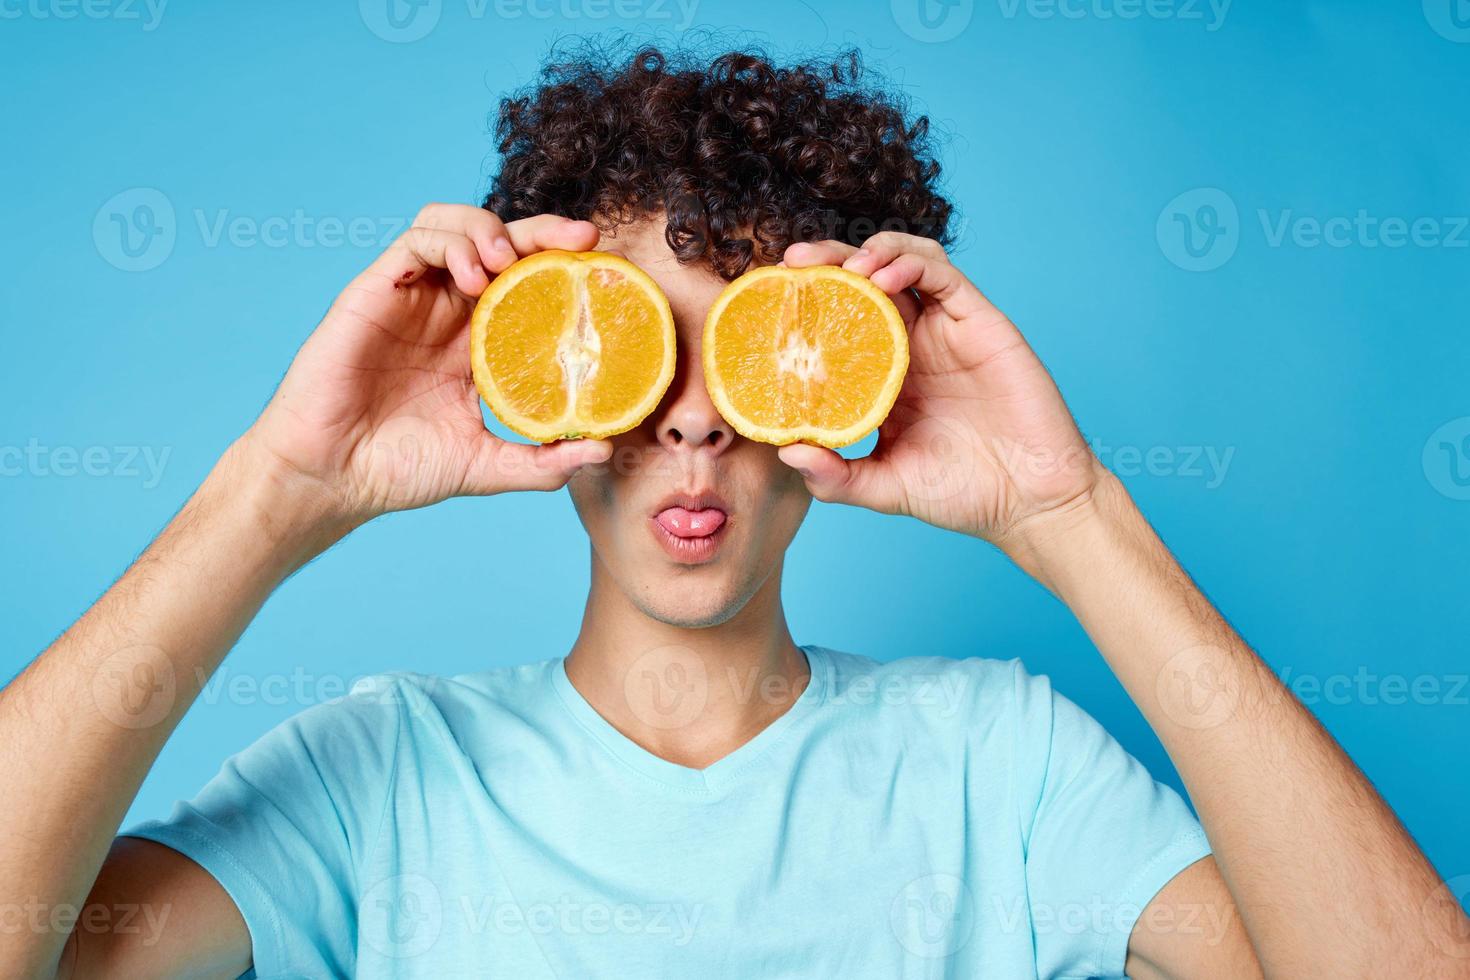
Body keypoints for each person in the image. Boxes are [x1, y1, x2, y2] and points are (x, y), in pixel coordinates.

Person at [3, 45, 1465, 980]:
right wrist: (277, 492)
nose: (693, 415)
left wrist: (1067, 514)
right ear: (537, 378)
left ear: (845, 386)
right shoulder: (387, 772)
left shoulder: (997, 767)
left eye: (748, 354)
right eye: (639, 347)